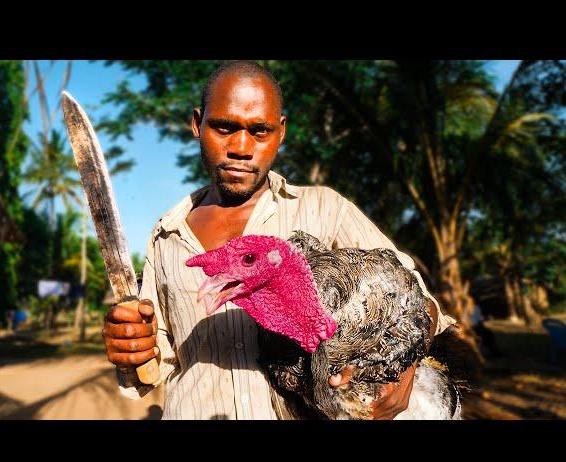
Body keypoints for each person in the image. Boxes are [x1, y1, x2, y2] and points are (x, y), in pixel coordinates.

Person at [103, 61, 456, 419]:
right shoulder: (167, 235)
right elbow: (156, 362)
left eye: (260, 131)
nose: (241, 147)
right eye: (224, 127)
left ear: (281, 132)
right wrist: (131, 347)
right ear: (197, 123)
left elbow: (419, 303)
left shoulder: (326, 210)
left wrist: (402, 363)